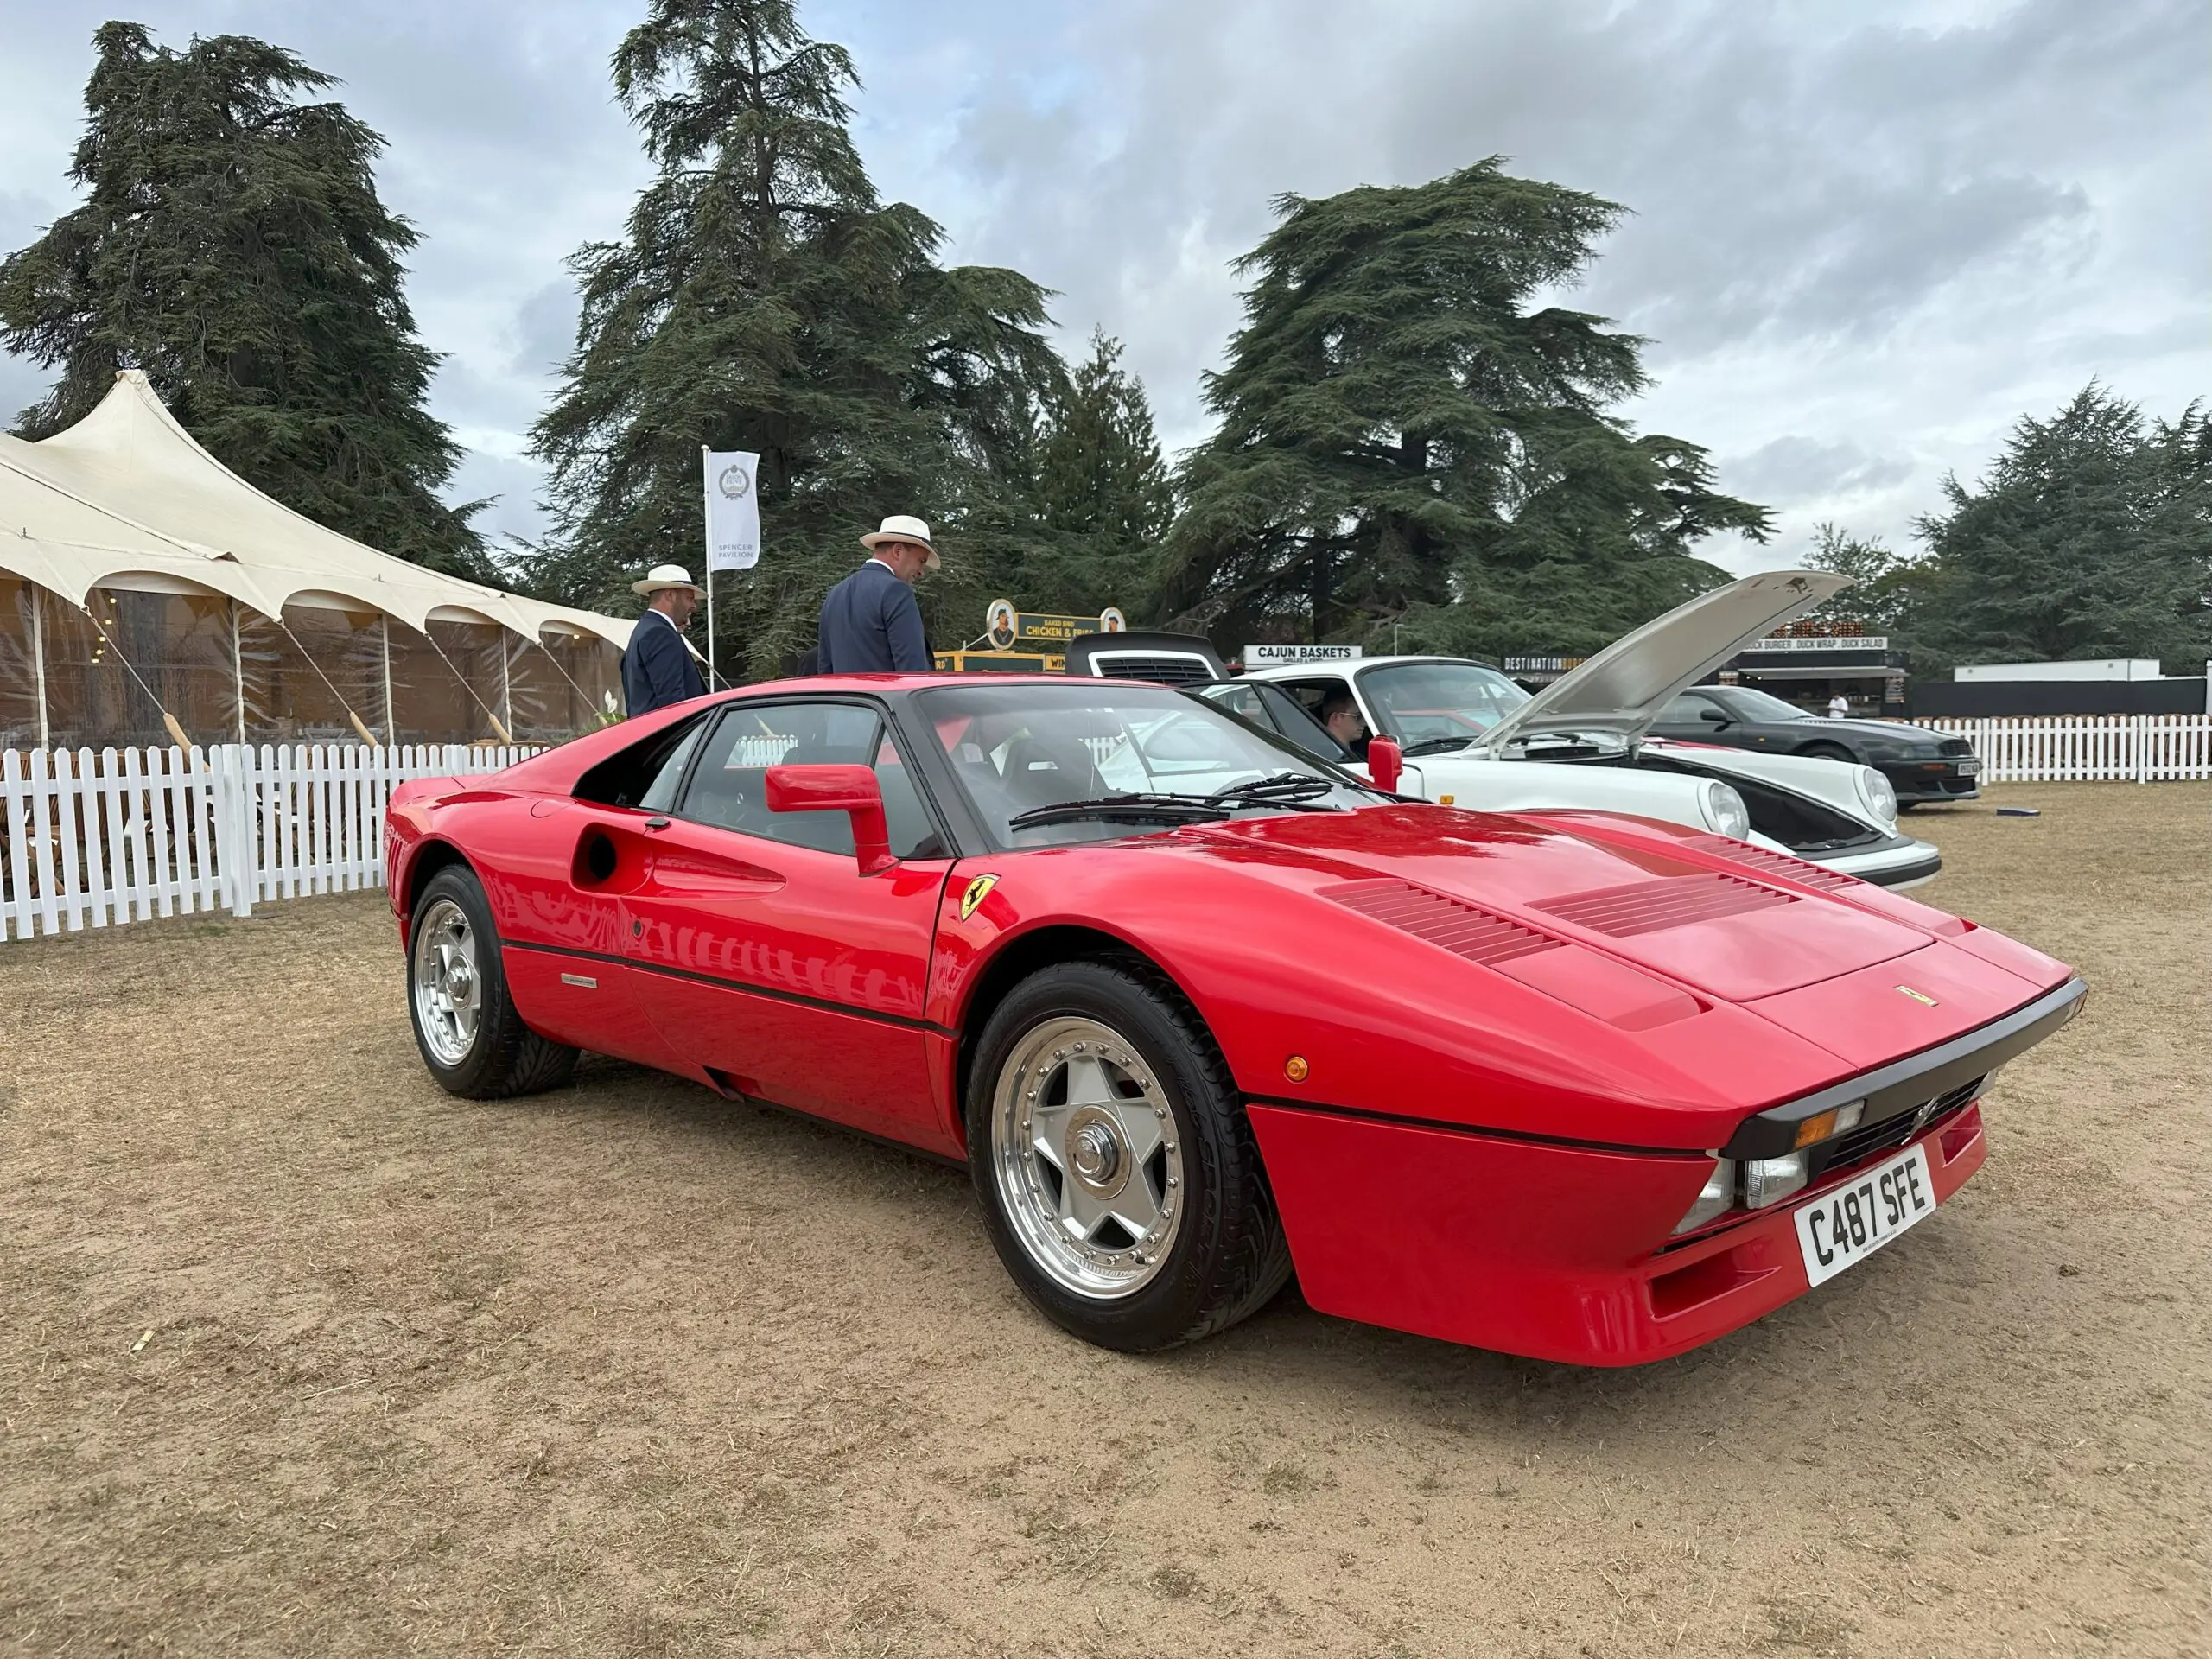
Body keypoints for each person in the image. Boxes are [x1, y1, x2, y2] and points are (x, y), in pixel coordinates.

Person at [817, 515, 938, 674]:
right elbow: (913, 672)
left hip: (843, 699)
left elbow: (825, 670)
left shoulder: (835, 594)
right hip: (887, 699)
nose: (922, 572)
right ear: (898, 551)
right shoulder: (897, 591)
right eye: (921, 560)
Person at [621, 565, 707, 715]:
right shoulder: (660, 634)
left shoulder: (643, 630)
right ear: (670, 595)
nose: (694, 606)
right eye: (689, 598)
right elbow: (673, 705)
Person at [1319, 689, 1369, 757]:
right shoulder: (1317, 755)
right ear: (1336, 718)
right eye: (1358, 716)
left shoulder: (1359, 753)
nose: (1364, 723)